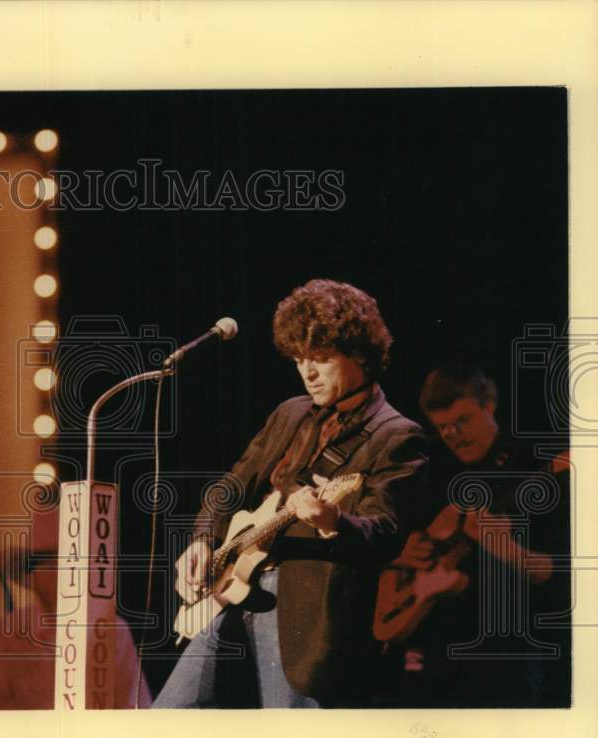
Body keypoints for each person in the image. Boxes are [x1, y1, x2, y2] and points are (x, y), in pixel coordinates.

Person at [153, 279, 428, 708]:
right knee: (169, 718)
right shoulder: (291, 413)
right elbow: (231, 486)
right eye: (300, 360)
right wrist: (203, 540)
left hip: (303, 613)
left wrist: (332, 522)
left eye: (320, 359)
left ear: (359, 354)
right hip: (232, 594)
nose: (307, 373)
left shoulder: (397, 435)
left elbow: (386, 530)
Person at [390, 363, 571, 707]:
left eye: (463, 420)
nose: (454, 434)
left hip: (508, 651)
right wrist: (403, 550)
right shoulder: (431, 467)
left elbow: (561, 574)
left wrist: (505, 549)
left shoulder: (534, 465)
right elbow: (396, 536)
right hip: (435, 643)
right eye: (443, 428)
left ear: (489, 406)